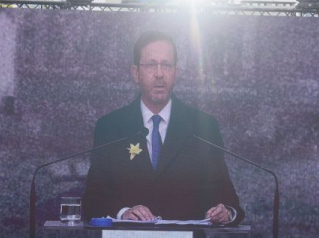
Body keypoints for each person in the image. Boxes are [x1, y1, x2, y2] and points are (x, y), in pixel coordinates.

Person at [82, 30, 244, 225]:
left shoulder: (203, 127)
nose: (159, 74)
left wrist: (225, 212)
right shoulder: (110, 127)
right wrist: (123, 213)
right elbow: (93, 200)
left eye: (166, 65)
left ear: (176, 72)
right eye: (151, 65)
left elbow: (226, 197)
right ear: (136, 73)